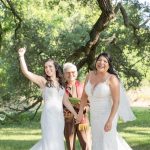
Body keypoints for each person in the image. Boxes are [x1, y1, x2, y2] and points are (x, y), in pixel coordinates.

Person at [18, 47, 77, 150]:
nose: (47, 69)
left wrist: (76, 114)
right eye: (45, 67)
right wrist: (21, 56)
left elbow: (66, 101)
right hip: (48, 116)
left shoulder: (61, 83)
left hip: (59, 117)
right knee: (48, 142)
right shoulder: (43, 81)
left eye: (50, 66)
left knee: (57, 141)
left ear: (55, 68)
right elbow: (26, 72)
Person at [76, 52, 136, 150]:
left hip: (107, 114)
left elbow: (116, 102)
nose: (101, 63)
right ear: (96, 62)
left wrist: (110, 120)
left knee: (108, 141)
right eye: (99, 60)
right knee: (97, 140)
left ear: (109, 65)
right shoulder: (89, 75)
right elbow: (84, 96)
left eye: (105, 61)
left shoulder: (112, 79)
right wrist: (80, 112)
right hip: (95, 115)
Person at [63, 63, 91, 150]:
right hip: (67, 120)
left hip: (82, 119)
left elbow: (89, 103)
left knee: (86, 145)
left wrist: (83, 109)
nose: (70, 74)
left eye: (73, 72)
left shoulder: (83, 86)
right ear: (64, 74)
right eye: (68, 72)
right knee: (70, 146)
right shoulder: (61, 88)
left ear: (77, 73)